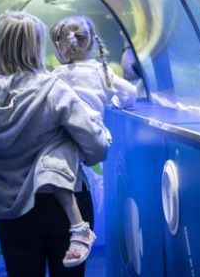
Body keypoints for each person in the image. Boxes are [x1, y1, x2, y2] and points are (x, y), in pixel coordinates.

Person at [0, 11, 110, 277]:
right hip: (63, 208)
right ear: (37, 46)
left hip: (10, 207)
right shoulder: (54, 90)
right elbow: (97, 148)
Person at [49, 15, 136, 266]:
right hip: (94, 140)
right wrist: (117, 103)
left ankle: (78, 227)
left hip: (64, 141)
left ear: (59, 46)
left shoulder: (56, 75)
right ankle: (80, 229)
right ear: (90, 43)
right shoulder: (100, 71)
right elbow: (130, 92)